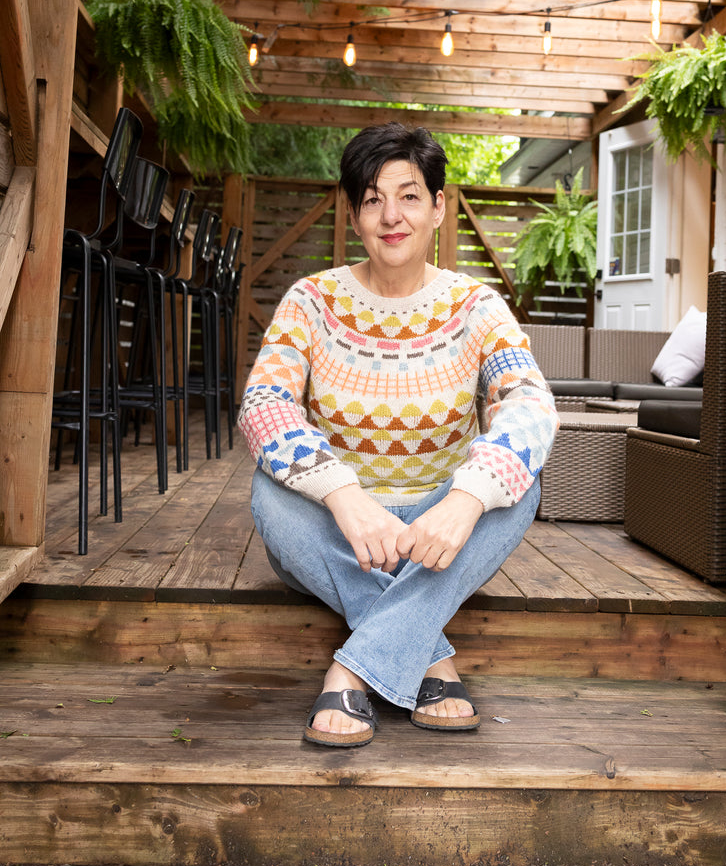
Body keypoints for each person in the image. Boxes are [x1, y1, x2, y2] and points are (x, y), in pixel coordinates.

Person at [238, 123, 559, 748]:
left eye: (409, 196)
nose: (392, 216)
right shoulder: (311, 301)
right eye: (373, 199)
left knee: (521, 484)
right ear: (353, 213)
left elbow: (530, 404)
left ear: (438, 207)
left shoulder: (476, 306)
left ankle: (352, 670)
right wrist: (344, 498)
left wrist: (464, 501)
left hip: (440, 530)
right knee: (269, 491)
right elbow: (264, 403)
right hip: (338, 531)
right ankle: (430, 660)